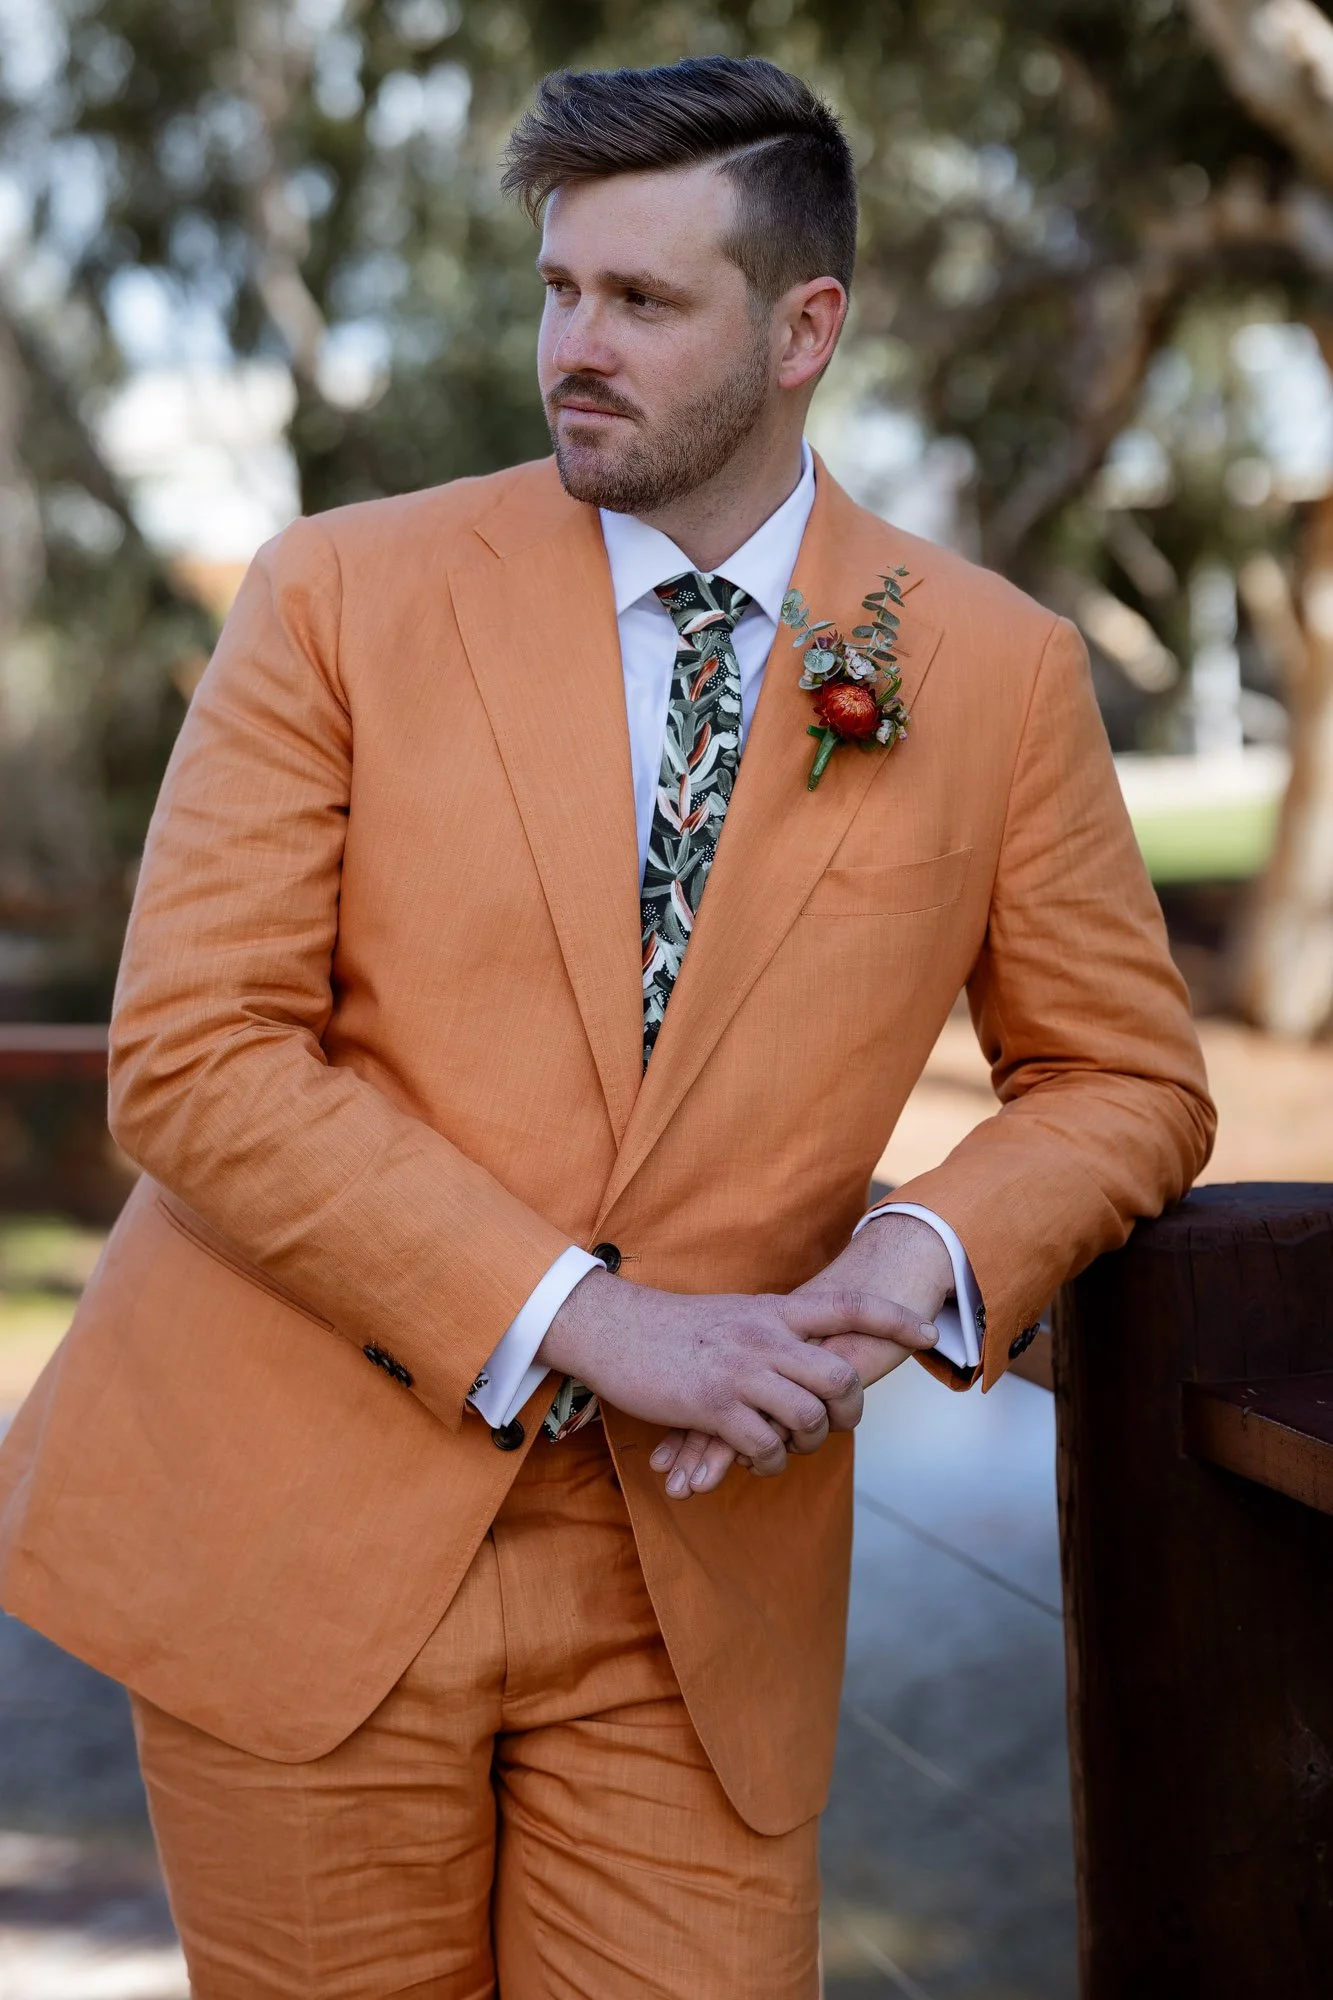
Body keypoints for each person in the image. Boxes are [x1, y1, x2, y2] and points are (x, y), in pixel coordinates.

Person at [0, 53, 1214, 1999]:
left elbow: (1130, 1076)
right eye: (559, 288)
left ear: (805, 326)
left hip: (700, 1583)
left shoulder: (991, 670)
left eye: (642, 302)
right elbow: (194, 1052)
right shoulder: (335, 593)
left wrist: (916, 1257)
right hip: (302, 1529)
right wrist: (592, 1318)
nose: (576, 344)